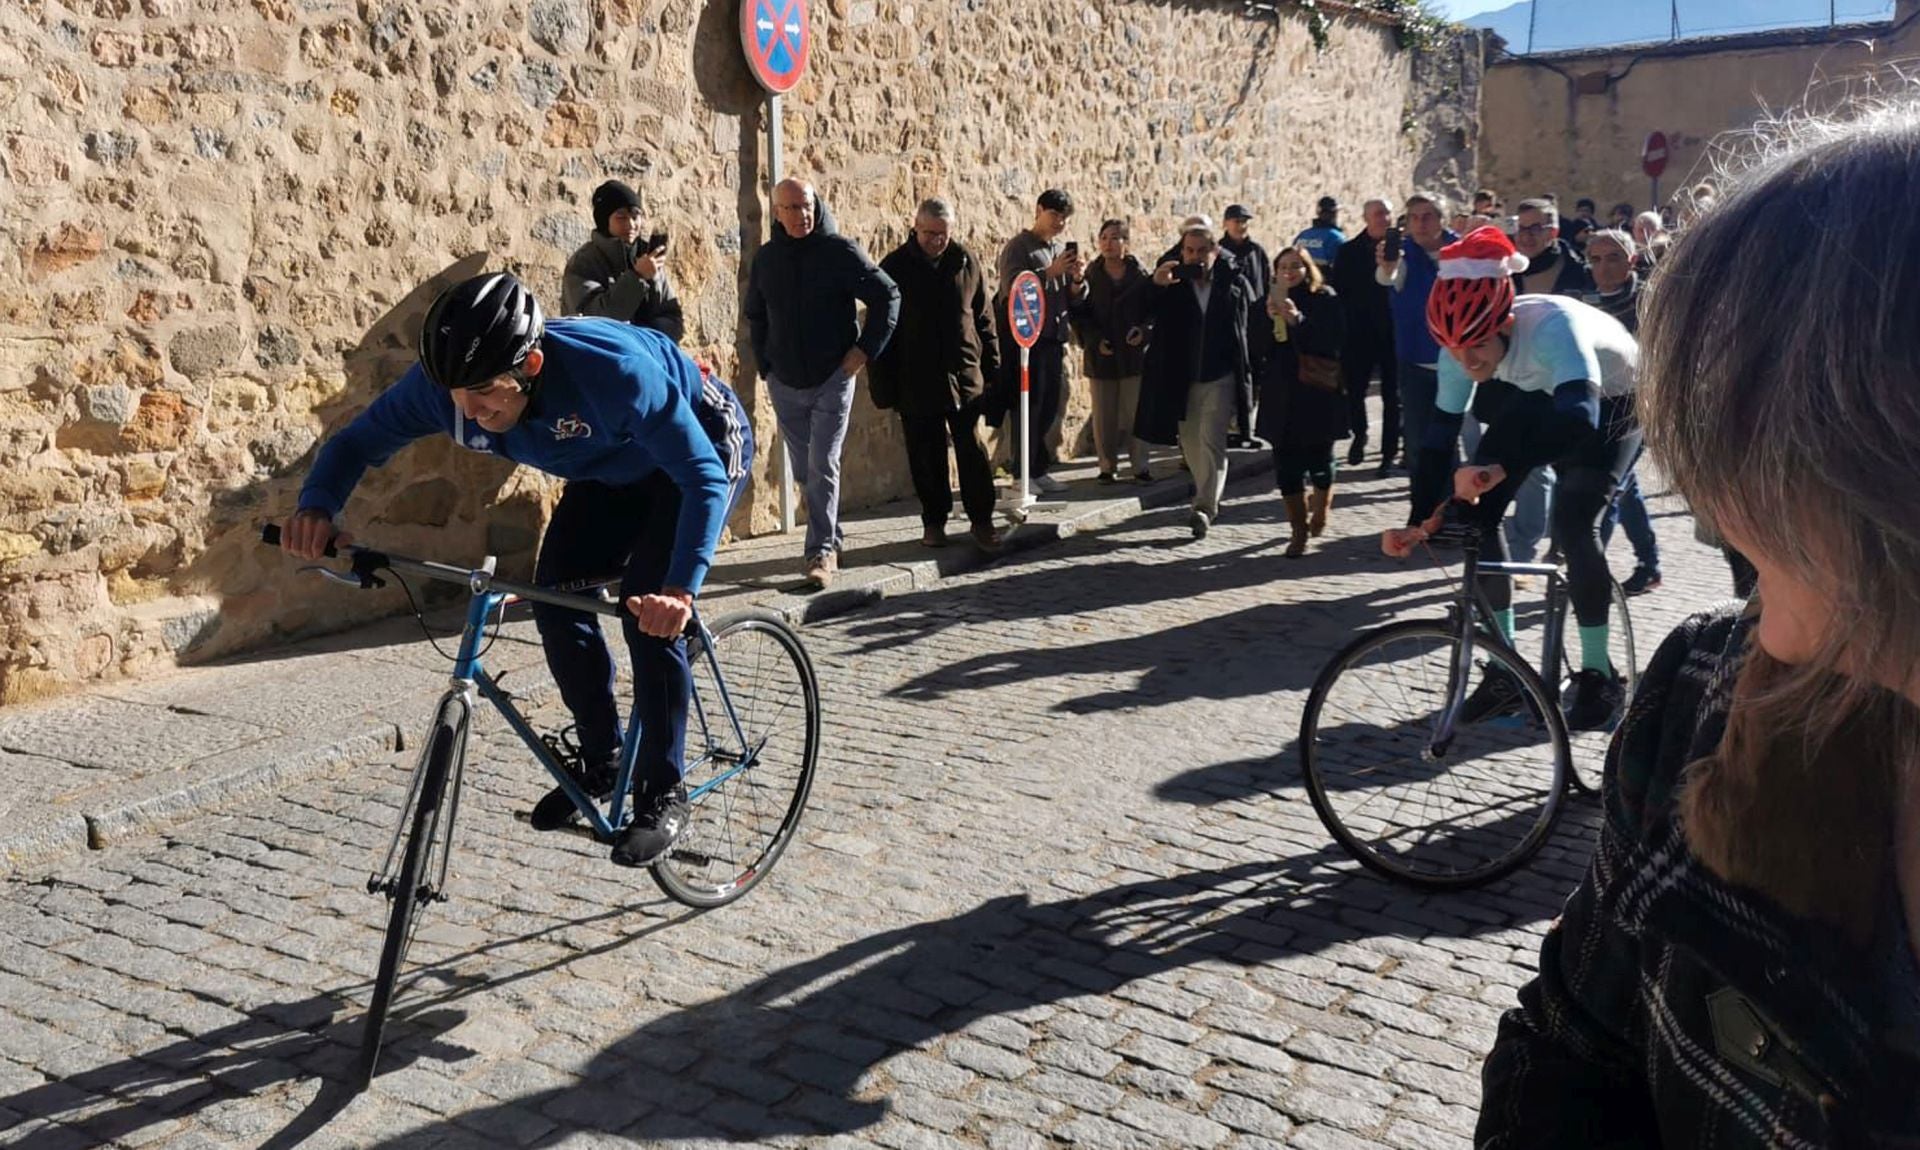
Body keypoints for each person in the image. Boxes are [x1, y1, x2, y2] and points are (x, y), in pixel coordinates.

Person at [1477, 100, 1920, 1147]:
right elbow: (1571, 1049)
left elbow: (1578, 419)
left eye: (1758, 455)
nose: (1722, 511)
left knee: (1586, 539)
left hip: (1588, 447)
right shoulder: (1703, 693)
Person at [283, 272, 753, 867]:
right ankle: (603, 759)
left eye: (484, 395)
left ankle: (664, 792)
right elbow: (357, 443)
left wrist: (679, 592)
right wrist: (317, 508)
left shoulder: (613, 373)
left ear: (530, 365)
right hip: (611, 471)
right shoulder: (443, 390)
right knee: (553, 597)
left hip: (701, 448)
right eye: (457, 398)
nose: (471, 415)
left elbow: (702, 476)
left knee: (646, 610)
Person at [1385, 226, 1639, 732]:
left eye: (1476, 346)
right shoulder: (1459, 347)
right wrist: (1420, 522)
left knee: (1572, 523)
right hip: (1536, 394)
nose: (1466, 360)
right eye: (1455, 351)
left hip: (1610, 404)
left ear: (1503, 322)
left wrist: (1500, 466)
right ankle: (1505, 671)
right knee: (1472, 519)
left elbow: (1578, 420)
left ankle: (1597, 673)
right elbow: (1435, 445)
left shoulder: (1552, 328)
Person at [745, 179, 900, 589]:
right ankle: (831, 534)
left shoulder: (840, 252)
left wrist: (864, 351)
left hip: (833, 376)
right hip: (785, 381)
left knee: (822, 464)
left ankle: (820, 553)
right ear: (777, 213)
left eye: (808, 205)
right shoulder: (767, 259)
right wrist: (766, 367)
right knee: (805, 470)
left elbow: (888, 296)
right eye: (792, 208)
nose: (803, 215)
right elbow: (756, 316)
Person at [869, 198, 1003, 553]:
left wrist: (992, 367)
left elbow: (983, 316)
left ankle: (982, 520)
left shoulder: (964, 260)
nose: (938, 240)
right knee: (925, 455)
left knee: (972, 453)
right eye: (931, 233)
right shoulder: (894, 267)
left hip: (963, 374)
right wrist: (883, 387)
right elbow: (881, 329)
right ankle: (934, 521)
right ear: (916, 227)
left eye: (944, 234)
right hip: (916, 377)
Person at [1137, 221, 1254, 540]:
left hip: (1220, 375)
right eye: (1189, 250)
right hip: (1182, 377)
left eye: (1202, 250)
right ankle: (1204, 496)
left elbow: (1247, 322)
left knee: (1210, 439)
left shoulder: (1231, 279)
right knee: (1189, 444)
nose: (1195, 257)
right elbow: (1139, 310)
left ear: (1214, 251)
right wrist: (1156, 284)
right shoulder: (1172, 282)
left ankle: (1204, 507)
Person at [1583, 227, 1661, 594]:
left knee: (1609, 490)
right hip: (1597, 402)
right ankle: (1650, 563)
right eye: (1595, 259)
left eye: (1613, 257)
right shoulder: (1583, 299)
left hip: (1635, 406)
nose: (1604, 267)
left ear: (1631, 260)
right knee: (1624, 486)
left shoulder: (1650, 302)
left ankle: (1589, 570)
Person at [1255, 246, 1346, 558]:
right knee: (1287, 466)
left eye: (1296, 266)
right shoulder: (1267, 302)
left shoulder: (1325, 298)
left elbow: (1333, 341)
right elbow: (1256, 347)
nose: (1289, 272)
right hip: (1281, 394)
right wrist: (1268, 320)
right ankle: (1298, 529)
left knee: (1321, 461)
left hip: (1316, 392)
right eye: (1283, 267)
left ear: (1307, 269)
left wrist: (1298, 320)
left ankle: (1320, 508)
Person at [994, 189, 1087, 494]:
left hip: (1054, 338)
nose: (1059, 222)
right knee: (1027, 407)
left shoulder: (1057, 249)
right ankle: (1021, 473)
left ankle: (1037, 467)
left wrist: (1075, 280)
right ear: (1039, 210)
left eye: (1064, 218)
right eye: (1054, 215)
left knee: (1048, 406)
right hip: (1027, 342)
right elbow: (1013, 289)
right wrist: (1050, 272)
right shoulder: (1018, 248)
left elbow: (1070, 299)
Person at [1376, 191, 1457, 481]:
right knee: (1418, 441)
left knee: (1455, 441)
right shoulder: (1403, 253)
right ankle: (1423, 509)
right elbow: (1388, 277)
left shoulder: (1462, 249)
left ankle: (1453, 508)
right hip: (1416, 361)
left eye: (1428, 217)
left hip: (1461, 360)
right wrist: (1388, 267)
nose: (1420, 224)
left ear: (1442, 219)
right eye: (1414, 218)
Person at [1070, 218, 1153, 484]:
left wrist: (1144, 331)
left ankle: (1140, 466)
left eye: (1115, 237)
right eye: (1103, 237)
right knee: (1104, 415)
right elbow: (1080, 314)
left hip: (1132, 356)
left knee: (1136, 413)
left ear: (1125, 244)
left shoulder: (1140, 275)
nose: (1108, 243)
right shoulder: (1092, 275)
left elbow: (1153, 311)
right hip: (1101, 355)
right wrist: (1095, 341)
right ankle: (1107, 467)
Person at [560, 180, 685, 341]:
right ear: (605, 221)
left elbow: (671, 315)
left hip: (647, 356)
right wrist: (637, 277)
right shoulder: (584, 263)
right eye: (621, 217)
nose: (631, 224)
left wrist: (649, 340)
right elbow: (595, 320)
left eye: (635, 216)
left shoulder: (646, 257)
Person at [1332, 197, 1398, 470]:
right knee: (1355, 392)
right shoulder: (1348, 251)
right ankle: (1359, 435)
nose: (1384, 218)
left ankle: (1388, 453)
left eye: (1388, 214)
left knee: (1393, 395)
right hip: (1359, 333)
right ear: (1366, 218)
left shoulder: (1402, 250)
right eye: (1378, 214)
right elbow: (1340, 292)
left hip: (1393, 332)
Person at [1220, 204, 1272, 448]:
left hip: (1255, 323)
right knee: (1232, 377)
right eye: (1236, 220)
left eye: (1244, 221)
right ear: (1226, 223)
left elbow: (1265, 284)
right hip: (1230, 324)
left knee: (1253, 376)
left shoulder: (1256, 251)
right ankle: (1232, 427)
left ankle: (1247, 427)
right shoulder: (1219, 252)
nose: (1241, 225)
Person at [1511, 198, 1594, 297]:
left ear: (1553, 232)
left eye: (1535, 229)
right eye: (1521, 229)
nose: (1526, 236)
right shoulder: (1503, 271)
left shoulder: (1578, 272)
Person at [1293, 196, 1346, 271]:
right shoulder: (1337, 238)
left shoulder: (1302, 235)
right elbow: (1344, 267)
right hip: (1325, 280)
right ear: (1335, 214)